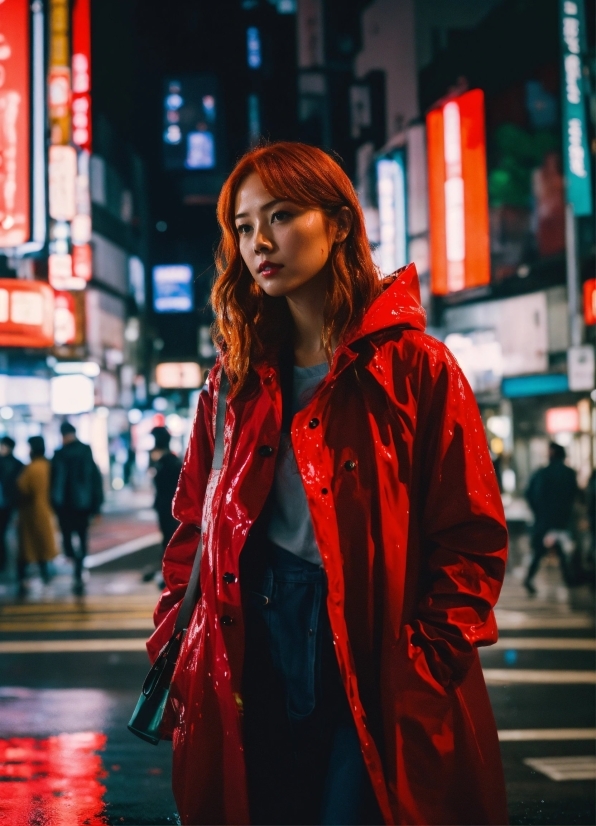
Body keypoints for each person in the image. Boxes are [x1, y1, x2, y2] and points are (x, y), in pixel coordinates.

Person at [146, 143, 509, 826]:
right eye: (245, 226)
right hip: (253, 649)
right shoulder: (231, 384)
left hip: (376, 661)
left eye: (281, 215)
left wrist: (423, 665)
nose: (260, 242)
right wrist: (179, 638)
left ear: (338, 223)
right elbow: (193, 530)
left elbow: (471, 537)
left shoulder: (417, 369)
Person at [51, 421, 104, 595]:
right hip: (80, 503)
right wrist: (97, 505)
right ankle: (78, 568)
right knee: (79, 537)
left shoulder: (61, 453)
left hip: (66, 504)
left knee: (69, 538)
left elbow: (54, 481)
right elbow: (95, 478)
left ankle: (77, 566)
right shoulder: (82, 451)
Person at [524, 441, 579, 595]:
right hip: (562, 519)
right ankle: (569, 579)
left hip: (545, 520)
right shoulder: (569, 474)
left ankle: (529, 578)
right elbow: (574, 495)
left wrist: (538, 512)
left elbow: (530, 493)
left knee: (540, 550)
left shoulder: (542, 473)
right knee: (562, 549)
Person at [16, 436, 57, 595]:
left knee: (27, 548)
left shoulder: (31, 468)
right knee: (43, 546)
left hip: (31, 512)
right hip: (46, 510)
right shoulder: (48, 466)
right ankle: (45, 576)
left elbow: (22, 488)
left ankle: (23, 578)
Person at [143, 426, 182, 585]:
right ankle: (168, 571)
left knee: (170, 538)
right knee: (168, 538)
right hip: (166, 505)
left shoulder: (168, 461)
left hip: (168, 506)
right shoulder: (166, 460)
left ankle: (170, 572)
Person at [0, 435, 23, 572]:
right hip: (6, 503)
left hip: (9, 504)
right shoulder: (17, 464)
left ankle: (8, 563)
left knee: (7, 534)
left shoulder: (15, 464)